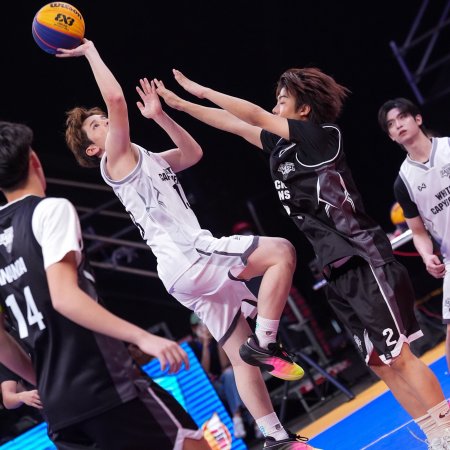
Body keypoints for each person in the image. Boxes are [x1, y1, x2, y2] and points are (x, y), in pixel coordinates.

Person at [153, 68, 450, 449]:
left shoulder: (322, 137)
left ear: (304, 109)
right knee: (379, 363)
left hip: (363, 257)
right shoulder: (281, 148)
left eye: (282, 100)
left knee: (400, 356)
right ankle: (433, 434)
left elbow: (253, 115)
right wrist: (180, 105)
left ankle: (446, 430)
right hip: (334, 268)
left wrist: (201, 89)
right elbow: (234, 124)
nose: (275, 106)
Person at [59, 39, 317, 450]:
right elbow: (116, 100)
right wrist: (90, 51)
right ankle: (267, 343)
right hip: (191, 255)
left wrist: (161, 116)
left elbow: (192, 153)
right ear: (93, 149)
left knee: (238, 353)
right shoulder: (115, 161)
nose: (105, 121)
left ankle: (276, 438)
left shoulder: (143, 157)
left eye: (102, 119)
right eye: (96, 125)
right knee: (281, 252)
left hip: (181, 272)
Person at [0, 120, 210, 450]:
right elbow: (64, 297)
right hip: (105, 383)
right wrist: (143, 337)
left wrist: (42, 380)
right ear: (34, 160)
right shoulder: (49, 210)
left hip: (60, 410)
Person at [378, 99, 450, 365]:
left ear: (417, 119)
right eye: (391, 124)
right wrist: (427, 255)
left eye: (402, 118)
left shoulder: (448, 148)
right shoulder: (404, 182)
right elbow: (418, 232)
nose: (398, 125)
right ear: (390, 135)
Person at [189, 313, 252, 440]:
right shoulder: (193, 346)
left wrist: (219, 340)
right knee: (237, 387)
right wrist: (205, 345)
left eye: (205, 323)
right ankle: (253, 422)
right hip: (211, 387)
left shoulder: (217, 339)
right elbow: (204, 373)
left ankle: (237, 417)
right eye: (199, 326)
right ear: (194, 329)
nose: (204, 328)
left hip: (228, 383)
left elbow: (225, 365)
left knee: (230, 374)